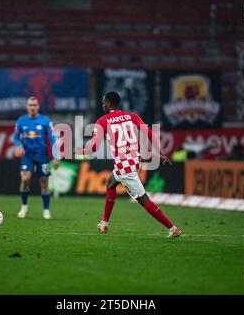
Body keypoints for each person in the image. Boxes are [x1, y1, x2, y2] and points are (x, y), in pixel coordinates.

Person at [76, 91, 182, 238]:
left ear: (108, 103)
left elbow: (93, 148)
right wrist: (159, 151)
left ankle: (172, 228)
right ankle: (104, 223)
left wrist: (80, 151)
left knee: (142, 199)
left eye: (103, 103)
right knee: (110, 183)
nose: (102, 105)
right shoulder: (132, 116)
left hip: (125, 167)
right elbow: (149, 132)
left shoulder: (102, 121)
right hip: (135, 161)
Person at [13, 96, 60, 219]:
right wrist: (18, 145)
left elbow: (53, 138)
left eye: (34, 105)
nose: (32, 107)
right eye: (30, 105)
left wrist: (56, 156)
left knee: (44, 182)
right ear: (27, 107)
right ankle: (24, 206)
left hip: (41, 155)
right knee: (25, 179)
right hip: (28, 155)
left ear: (38, 107)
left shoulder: (45, 120)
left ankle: (46, 210)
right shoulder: (21, 121)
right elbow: (15, 137)